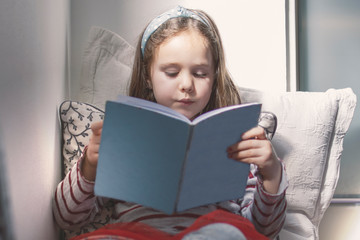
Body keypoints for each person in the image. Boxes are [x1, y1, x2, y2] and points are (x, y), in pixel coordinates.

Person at [53, 6, 287, 239]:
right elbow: (67, 218)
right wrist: (90, 167)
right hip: (136, 234)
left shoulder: (239, 142)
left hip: (212, 233)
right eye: (172, 72)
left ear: (214, 77)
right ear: (148, 75)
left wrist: (271, 174)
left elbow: (262, 230)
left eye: (200, 73)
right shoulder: (124, 136)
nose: (186, 84)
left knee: (228, 233)